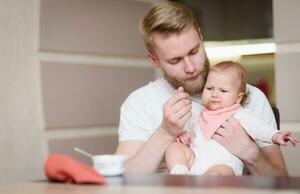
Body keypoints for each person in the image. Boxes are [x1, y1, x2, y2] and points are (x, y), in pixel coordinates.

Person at [115, 1, 289, 176]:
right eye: (175, 60)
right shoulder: (140, 103)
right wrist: (165, 132)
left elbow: (282, 181)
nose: (190, 67)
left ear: (200, 36)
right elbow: (122, 180)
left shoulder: (252, 97)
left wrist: (250, 152)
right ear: (154, 60)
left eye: (194, 51)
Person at [165, 61, 298, 175]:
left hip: (223, 164)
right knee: (174, 149)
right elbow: (190, 129)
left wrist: (275, 135)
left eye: (223, 91)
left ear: (238, 97)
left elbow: (259, 128)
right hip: (194, 159)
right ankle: (180, 172)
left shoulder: (239, 114)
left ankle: (204, 189)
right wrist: (184, 135)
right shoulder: (200, 113)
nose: (214, 94)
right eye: (210, 88)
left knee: (216, 175)